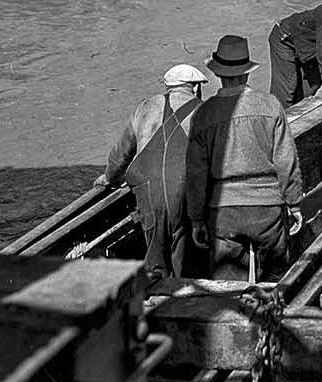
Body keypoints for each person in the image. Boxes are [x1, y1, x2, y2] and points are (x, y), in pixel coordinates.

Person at [186, 35, 303, 280]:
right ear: (247, 73)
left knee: (229, 286)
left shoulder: (203, 115)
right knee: (276, 280)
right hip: (267, 208)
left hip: (223, 212)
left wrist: (196, 219)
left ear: (218, 74)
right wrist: (294, 203)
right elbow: (286, 161)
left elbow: (196, 175)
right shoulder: (270, 105)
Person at [95, 63, 209, 276]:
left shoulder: (145, 107)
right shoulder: (204, 111)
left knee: (155, 255)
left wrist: (108, 178)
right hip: (183, 188)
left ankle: (154, 290)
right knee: (184, 256)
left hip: (146, 187)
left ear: (168, 87)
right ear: (195, 88)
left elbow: (122, 152)